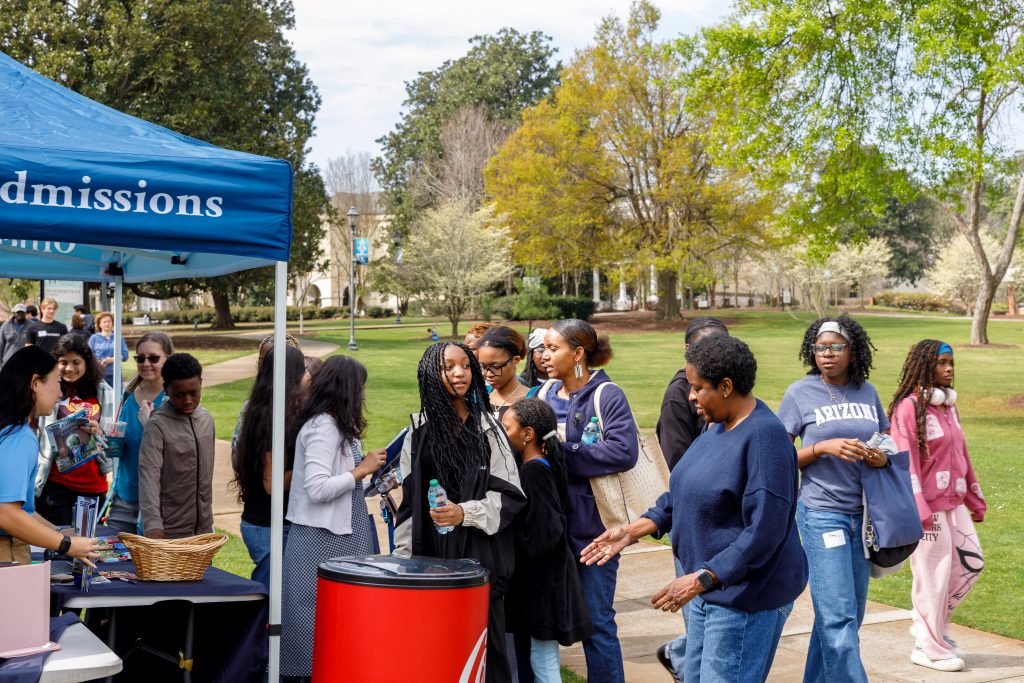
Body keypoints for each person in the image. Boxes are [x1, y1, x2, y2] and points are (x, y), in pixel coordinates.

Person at [583, 335, 808, 682]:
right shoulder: (716, 425)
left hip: (745, 598)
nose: (690, 397)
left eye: (697, 387)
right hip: (708, 588)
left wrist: (702, 579)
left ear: (727, 386)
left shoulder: (766, 440)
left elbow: (765, 533)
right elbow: (686, 490)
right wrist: (632, 531)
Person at [394, 342, 526, 683]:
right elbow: (409, 508)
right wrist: (404, 564)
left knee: (484, 653)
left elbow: (511, 498)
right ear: (430, 375)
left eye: (465, 366)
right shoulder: (417, 433)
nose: (459, 373)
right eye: (448, 366)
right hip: (429, 560)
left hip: (480, 561)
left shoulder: (489, 430)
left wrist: (464, 513)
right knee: (433, 651)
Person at [777, 315, 890, 683]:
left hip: (863, 516)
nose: (827, 354)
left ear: (852, 351)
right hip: (823, 513)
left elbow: (886, 442)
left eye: (835, 347)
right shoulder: (800, 393)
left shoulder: (867, 392)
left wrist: (880, 456)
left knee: (846, 616)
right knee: (838, 617)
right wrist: (821, 448)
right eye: (821, 347)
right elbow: (776, 456)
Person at [538, 319, 638, 683]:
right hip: (548, 525)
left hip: (594, 529)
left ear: (578, 352)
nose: (544, 356)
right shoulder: (545, 392)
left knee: (596, 619)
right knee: (543, 616)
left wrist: (563, 452)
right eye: (544, 349)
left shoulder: (606, 394)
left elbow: (623, 451)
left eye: (553, 349)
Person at [280, 355, 386, 678]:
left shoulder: (339, 425)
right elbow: (318, 489)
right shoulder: (323, 427)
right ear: (346, 389)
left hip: (338, 539)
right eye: (360, 388)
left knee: (340, 622)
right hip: (319, 542)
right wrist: (361, 469)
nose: (364, 396)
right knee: (313, 623)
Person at [888, 340, 986, 672]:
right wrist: (918, 507)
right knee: (933, 575)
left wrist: (974, 495)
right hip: (926, 507)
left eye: (951, 363)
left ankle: (932, 627)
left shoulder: (948, 407)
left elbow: (962, 452)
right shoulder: (908, 408)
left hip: (954, 500)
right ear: (924, 366)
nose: (949, 369)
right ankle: (928, 647)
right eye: (942, 363)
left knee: (971, 566)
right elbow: (906, 461)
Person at [653, 315, 729, 679]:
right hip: (695, 523)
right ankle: (685, 662)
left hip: (723, 526)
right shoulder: (678, 396)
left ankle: (679, 656)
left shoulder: (730, 397)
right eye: (703, 348)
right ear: (687, 351)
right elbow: (683, 472)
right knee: (699, 622)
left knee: (710, 622)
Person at [502, 398, 594, 683]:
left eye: (507, 429)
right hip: (547, 576)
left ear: (527, 434)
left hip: (543, 580)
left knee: (542, 660)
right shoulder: (543, 463)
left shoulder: (534, 471)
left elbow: (546, 528)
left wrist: (516, 543)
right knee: (543, 655)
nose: (503, 434)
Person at [0, 347, 100, 565]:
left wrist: (60, 533)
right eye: (56, 382)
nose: (60, 393)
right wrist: (65, 544)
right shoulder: (19, 436)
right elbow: (6, 514)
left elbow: (22, 511)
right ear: (35, 383)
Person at [232, 346, 307, 590]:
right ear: (292, 375)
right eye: (303, 370)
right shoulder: (275, 418)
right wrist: (314, 470)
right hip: (268, 526)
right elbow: (272, 482)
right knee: (270, 601)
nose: (307, 376)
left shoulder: (265, 409)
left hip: (269, 523)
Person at [34, 335, 113, 527]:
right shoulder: (49, 389)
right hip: (55, 483)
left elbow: (112, 438)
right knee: (58, 544)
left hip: (93, 484)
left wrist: (99, 433)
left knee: (87, 546)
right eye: (63, 362)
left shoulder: (103, 391)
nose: (69, 368)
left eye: (76, 362)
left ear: (87, 362)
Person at [138, 353, 215, 539]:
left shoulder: (206, 419)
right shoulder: (157, 425)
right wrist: (153, 524)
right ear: (166, 389)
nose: (188, 400)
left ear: (201, 384)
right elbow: (149, 477)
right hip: (169, 530)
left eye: (193, 392)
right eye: (179, 395)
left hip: (203, 529)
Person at [103, 332, 174, 534]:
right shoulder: (127, 394)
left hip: (159, 499)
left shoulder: (173, 399)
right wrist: (113, 445)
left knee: (151, 563)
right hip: (125, 494)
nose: (146, 363)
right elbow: (122, 441)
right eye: (140, 358)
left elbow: (178, 450)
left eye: (153, 358)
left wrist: (151, 424)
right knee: (115, 558)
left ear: (167, 358)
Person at [231, 333, 302, 458]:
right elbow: (237, 450)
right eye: (264, 360)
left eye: (275, 360)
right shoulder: (251, 407)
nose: (268, 366)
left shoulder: (305, 405)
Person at [478, 325, 538, 418]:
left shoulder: (534, 399)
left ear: (515, 360)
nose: (488, 374)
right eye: (483, 366)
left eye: (496, 367)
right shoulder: (479, 397)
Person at [88, 311, 129, 387]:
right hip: (98, 374)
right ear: (99, 324)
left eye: (109, 321)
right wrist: (98, 361)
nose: (107, 324)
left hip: (115, 375)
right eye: (104, 322)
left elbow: (125, 355)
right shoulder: (93, 338)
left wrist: (112, 359)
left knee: (116, 398)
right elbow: (88, 355)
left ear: (112, 323)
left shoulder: (118, 338)